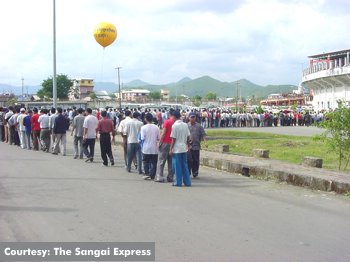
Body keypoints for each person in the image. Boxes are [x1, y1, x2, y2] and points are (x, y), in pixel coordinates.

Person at [169, 110, 191, 187]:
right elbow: (188, 136)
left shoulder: (174, 126)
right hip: (184, 147)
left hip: (177, 148)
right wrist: (188, 145)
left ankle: (178, 182)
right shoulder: (185, 125)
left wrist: (171, 148)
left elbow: (173, 139)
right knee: (184, 165)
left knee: (177, 166)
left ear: (174, 117)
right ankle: (187, 182)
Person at [155, 108, 174, 183]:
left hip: (165, 142)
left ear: (169, 114)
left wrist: (160, 142)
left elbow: (163, 133)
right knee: (171, 161)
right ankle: (170, 177)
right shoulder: (176, 123)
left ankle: (159, 176)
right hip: (173, 143)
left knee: (161, 160)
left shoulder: (167, 122)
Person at [140, 113, 160, 180]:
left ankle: (147, 173)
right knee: (154, 162)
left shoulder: (143, 128)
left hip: (146, 147)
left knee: (146, 161)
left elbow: (142, 138)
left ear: (145, 119)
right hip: (154, 148)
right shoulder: (156, 127)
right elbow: (158, 138)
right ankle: (152, 175)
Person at [187, 112, 207, 178]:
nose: (193, 118)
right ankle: (188, 172)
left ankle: (195, 172)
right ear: (189, 118)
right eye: (191, 117)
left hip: (196, 146)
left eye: (194, 117)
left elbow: (203, 135)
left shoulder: (199, 126)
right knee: (189, 160)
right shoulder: (186, 126)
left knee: (196, 160)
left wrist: (205, 142)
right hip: (188, 146)